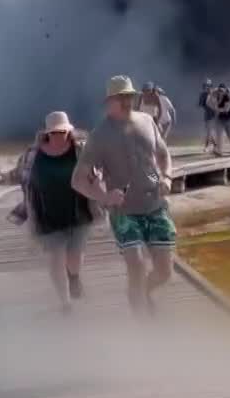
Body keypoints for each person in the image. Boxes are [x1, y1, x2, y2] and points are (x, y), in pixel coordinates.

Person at [70, 76, 176, 317]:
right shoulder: (100, 135)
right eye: (121, 97)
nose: (127, 101)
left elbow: (163, 154)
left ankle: (144, 292)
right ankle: (140, 322)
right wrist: (104, 197)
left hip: (155, 205)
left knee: (165, 272)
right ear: (110, 101)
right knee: (136, 265)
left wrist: (167, 177)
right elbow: (78, 179)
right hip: (124, 211)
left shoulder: (148, 121)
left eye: (130, 96)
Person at [17, 111, 94, 313]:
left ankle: (74, 277)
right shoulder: (32, 155)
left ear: (69, 131)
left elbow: (97, 171)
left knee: (74, 257)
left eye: (63, 131)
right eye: (55, 132)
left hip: (78, 213)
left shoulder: (81, 150)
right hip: (46, 216)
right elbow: (18, 174)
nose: (60, 136)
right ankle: (65, 302)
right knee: (55, 259)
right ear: (47, 134)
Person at [212, 82, 230, 155]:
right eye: (219, 90)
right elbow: (212, 92)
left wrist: (217, 109)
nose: (220, 92)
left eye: (222, 90)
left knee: (229, 135)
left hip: (229, 119)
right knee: (219, 134)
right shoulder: (217, 95)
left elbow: (226, 109)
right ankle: (219, 151)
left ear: (224, 91)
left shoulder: (227, 97)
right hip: (220, 119)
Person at [198, 79, 218, 154]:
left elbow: (218, 103)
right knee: (209, 131)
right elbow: (200, 104)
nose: (207, 87)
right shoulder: (202, 94)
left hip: (214, 114)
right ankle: (215, 145)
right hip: (207, 114)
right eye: (206, 86)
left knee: (209, 131)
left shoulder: (214, 94)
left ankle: (207, 146)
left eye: (208, 86)